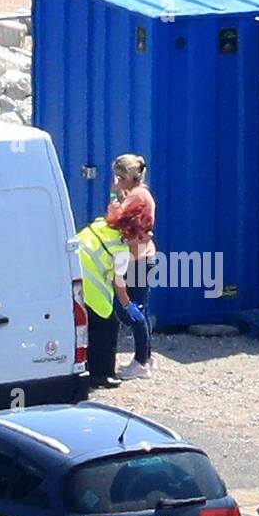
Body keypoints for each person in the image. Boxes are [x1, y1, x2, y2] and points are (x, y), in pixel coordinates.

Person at [76, 215, 142, 388]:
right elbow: (119, 283)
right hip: (89, 286)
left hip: (72, 273)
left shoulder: (101, 225)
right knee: (109, 325)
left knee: (86, 328)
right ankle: (102, 375)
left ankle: (86, 369)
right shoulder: (120, 247)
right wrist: (128, 305)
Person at [106, 154, 156, 379]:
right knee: (139, 309)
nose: (117, 181)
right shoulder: (140, 194)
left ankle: (140, 362)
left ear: (128, 177)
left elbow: (114, 219)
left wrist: (114, 195)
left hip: (138, 259)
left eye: (119, 177)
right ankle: (147, 356)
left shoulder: (136, 196)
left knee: (132, 309)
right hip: (142, 256)